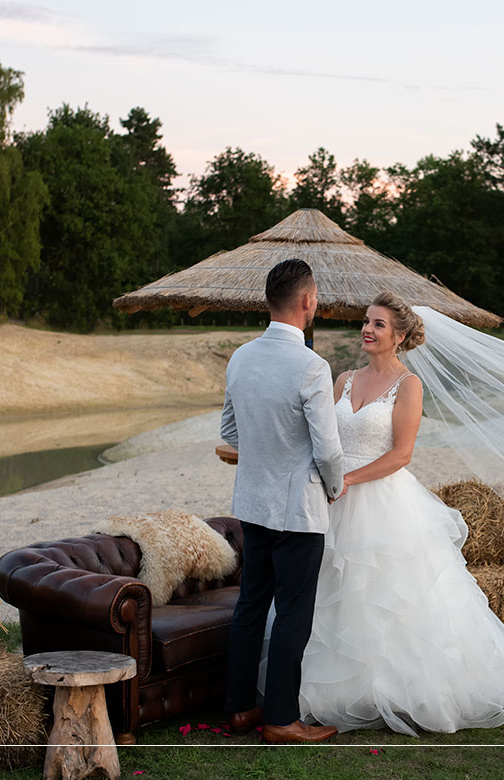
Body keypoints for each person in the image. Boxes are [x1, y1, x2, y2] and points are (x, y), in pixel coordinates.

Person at [288, 290, 504, 736]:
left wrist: (349, 480)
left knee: (384, 597)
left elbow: (402, 455)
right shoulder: (343, 378)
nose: (367, 329)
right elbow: (326, 439)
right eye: (366, 321)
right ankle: (328, 690)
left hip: (379, 500)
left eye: (379, 324)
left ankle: (390, 687)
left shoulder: (408, 386)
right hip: (331, 500)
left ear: (401, 336)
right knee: (330, 590)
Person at [221, 258, 346, 744]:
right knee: (294, 611)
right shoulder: (312, 366)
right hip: (298, 511)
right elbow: (328, 448)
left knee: (250, 605)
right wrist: (335, 487)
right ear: (308, 300)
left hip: (252, 505)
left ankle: (238, 709)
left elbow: (230, 431)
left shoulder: (240, 358)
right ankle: (280, 718)